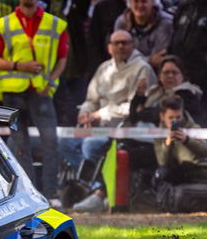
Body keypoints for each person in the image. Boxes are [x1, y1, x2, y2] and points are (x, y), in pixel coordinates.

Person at [0, 0, 68, 204]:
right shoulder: (4, 24)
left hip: (40, 91)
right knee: (20, 145)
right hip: (13, 92)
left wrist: (51, 81)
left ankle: (51, 192)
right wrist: (19, 65)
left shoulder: (54, 24)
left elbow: (63, 57)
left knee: (50, 142)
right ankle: (30, 194)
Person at [66, 29, 156, 213]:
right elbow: (91, 99)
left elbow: (137, 107)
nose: (121, 46)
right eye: (117, 43)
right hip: (96, 124)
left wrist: (101, 113)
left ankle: (103, 193)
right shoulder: (103, 68)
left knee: (90, 146)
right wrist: (84, 113)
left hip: (123, 128)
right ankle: (98, 190)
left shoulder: (142, 68)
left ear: (133, 45)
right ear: (109, 48)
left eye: (125, 43)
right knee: (64, 142)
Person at [153, 95, 207, 213]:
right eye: (171, 118)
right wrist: (168, 144)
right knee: (160, 174)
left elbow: (205, 151)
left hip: (197, 170)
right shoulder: (159, 133)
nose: (175, 121)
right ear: (162, 117)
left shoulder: (193, 128)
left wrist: (187, 141)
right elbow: (162, 162)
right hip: (177, 171)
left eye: (178, 117)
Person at [114, 0, 173, 70]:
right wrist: (150, 61)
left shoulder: (166, 23)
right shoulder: (122, 22)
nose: (139, 6)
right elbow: (119, 57)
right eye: (136, 1)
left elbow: (160, 59)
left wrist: (131, 61)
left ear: (153, 2)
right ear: (129, 1)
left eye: (144, 1)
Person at [129, 54, 204, 125]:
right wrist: (139, 96)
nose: (170, 76)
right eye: (166, 72)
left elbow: (159, 115)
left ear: (182, 76)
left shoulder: (186, 94)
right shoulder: (155, 92)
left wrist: (141, 112)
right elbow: (133, 116)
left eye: (174, 73)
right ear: (160, 76)